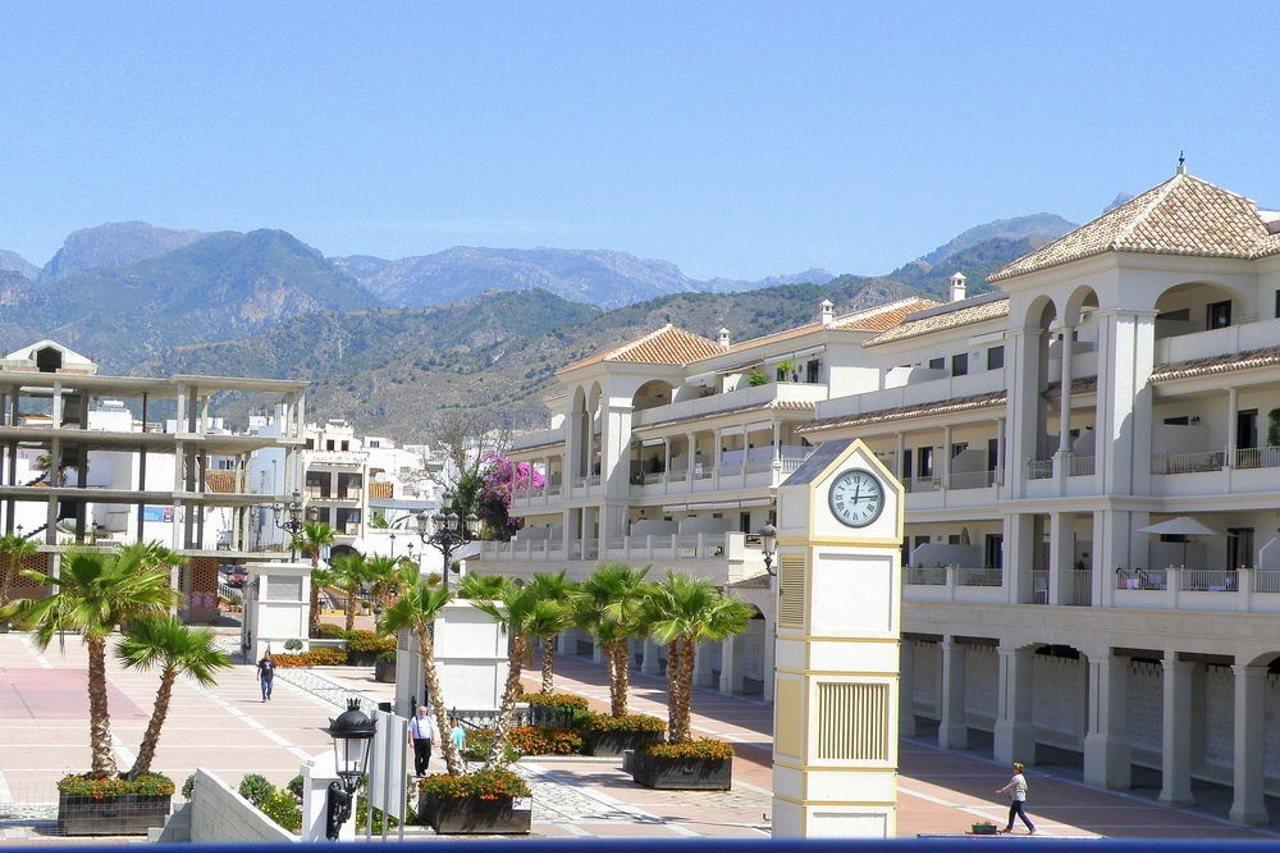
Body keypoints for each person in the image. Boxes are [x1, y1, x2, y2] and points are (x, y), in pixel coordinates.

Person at [996, 762, 1035, 835]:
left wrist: (1002, 790)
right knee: (1012, 813)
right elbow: (1025, 787)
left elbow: (1010, 786)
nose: (1013, 770)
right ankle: (1009, 828)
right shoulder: (1021, 777)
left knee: (1021, 814)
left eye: (1014, 768)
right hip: (1018, 797)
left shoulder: (1017, 778)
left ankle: (1031, 827)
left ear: (1017, 770)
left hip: (1018, 798)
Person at [408, 706, 439, 776]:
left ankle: (422, 768)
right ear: (419, 712)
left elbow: (432, 729)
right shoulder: (414, 719)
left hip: (426, 740)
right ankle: (418, 772)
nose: (422, 712)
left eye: (424, 711)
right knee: (418, 757)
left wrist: (433, 738)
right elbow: (410, 730)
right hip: (417, 740)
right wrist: (411, 741)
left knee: (428, 755)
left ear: (426, 712)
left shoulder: (428, 719)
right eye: (421, 711)